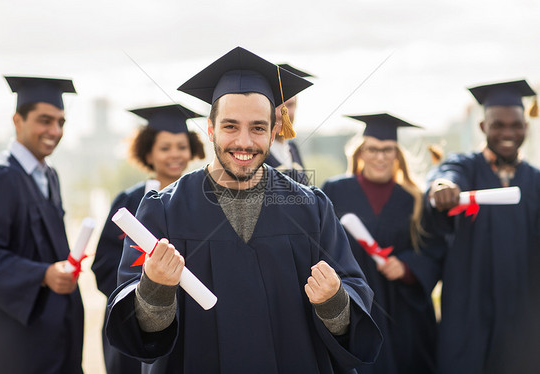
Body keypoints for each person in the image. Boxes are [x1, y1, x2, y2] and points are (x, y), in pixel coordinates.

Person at [105, 46, 382, 373]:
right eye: (231, 126)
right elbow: (141, 335)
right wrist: (154, 287)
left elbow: (353, 302)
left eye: (258, 128)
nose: (245, 142)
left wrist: (334, 301)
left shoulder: (311, 208)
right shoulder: (161, 212)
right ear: (210, 128)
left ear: (274, 130)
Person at [426, 79, 540, 374]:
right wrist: (442, 186)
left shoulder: (536, 181)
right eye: (497, 125)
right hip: (468, 309)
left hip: (522, 315)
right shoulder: (466, 167)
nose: (507, 133)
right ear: (482, 127)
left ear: (526, 127)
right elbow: (446, 175)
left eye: (515, 125)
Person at [0, 76, 84, 373]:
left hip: (56, 329)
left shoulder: (49, 175)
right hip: (16, 338)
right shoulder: (0, 177)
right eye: (45, 120)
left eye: (61, 122)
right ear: (18, 120)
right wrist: (43, 274)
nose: (55, 131)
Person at [323, 113, 441, 374]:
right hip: (354, 303)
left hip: (401, 311)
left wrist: (408, 267)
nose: (380, 157)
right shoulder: (334, 190)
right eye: (373, 149)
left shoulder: (415, 199)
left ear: (397, 155)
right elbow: (321, 246)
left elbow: (434, 250)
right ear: (361, 152)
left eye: (388, 150)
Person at [92, 104, 205, 374]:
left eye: (181, 146)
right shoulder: (129, 201)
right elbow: (104, 264)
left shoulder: (201, 201)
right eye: (165, 148)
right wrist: (139, 295)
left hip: (190, 321)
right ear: (148, 153)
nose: (175, 154)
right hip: (136, 320)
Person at [263, 63, 313, 184]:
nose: (281, 114)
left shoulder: (292, 148)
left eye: (289, 105)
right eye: (275, 105)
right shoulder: (257, 152)